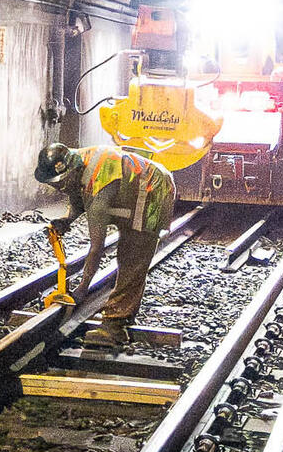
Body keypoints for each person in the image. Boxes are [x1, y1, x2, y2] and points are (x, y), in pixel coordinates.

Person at [34, 140, 176, 345]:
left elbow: (96, 247)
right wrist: (66, 220)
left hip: (153, 188)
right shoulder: (78, 165)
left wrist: (83, 288)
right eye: (54, 184)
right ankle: (123, 314)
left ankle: (114, 326)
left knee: (132, 256)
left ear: (71, 171)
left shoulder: (100, 185)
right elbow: (77, 198)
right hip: (132, 191)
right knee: (129, 254)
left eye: (60, 183)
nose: (59, 188)